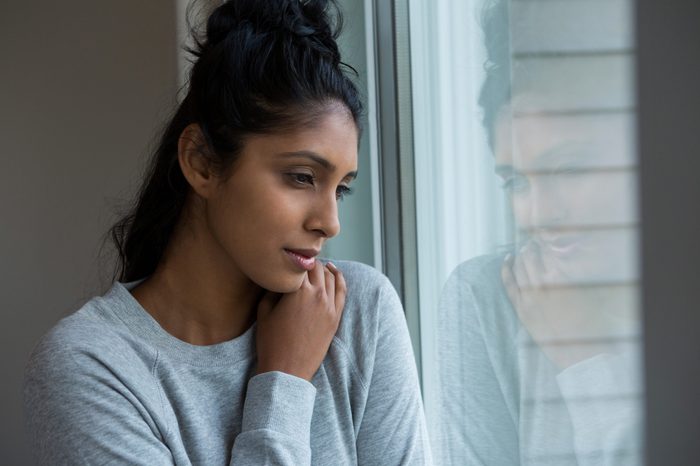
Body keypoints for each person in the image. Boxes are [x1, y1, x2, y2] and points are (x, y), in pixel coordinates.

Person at [23, 1, 432, 465]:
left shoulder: (359, 311)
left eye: (341, 190)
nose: (329, 222)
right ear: (201, 161)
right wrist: (284, 384)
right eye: (301, 177)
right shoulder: (91, 367)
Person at [433, 1, 641, 465]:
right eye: (516, 181)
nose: (540, 213)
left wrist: (583, 358)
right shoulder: (486, 299)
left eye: (568, 169)